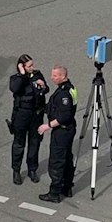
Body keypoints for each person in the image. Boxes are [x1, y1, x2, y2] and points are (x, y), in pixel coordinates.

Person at [7, 54, 50, 184]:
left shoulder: (37, 75)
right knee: (19, 143)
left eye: (32, 65)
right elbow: (15, 88)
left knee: (35, 142)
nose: (32, 67)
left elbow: (46, 89)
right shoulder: (16, 78)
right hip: (22, 114)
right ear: (22, 66)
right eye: (29, 66)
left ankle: (32, 169)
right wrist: (21, 74)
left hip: (36, 114)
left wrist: (43, 86)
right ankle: (16, 170)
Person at [39, 66, 79, 201]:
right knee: (67, 158)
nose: (52, 77)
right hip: (69, 129)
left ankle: (54, 193)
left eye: (55, 76)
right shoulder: (70, 88)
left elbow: (65, 116)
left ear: (63, 76)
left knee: (57, 161)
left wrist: (47, 125)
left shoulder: (64, 94)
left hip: (62, 130)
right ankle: (67, 187)